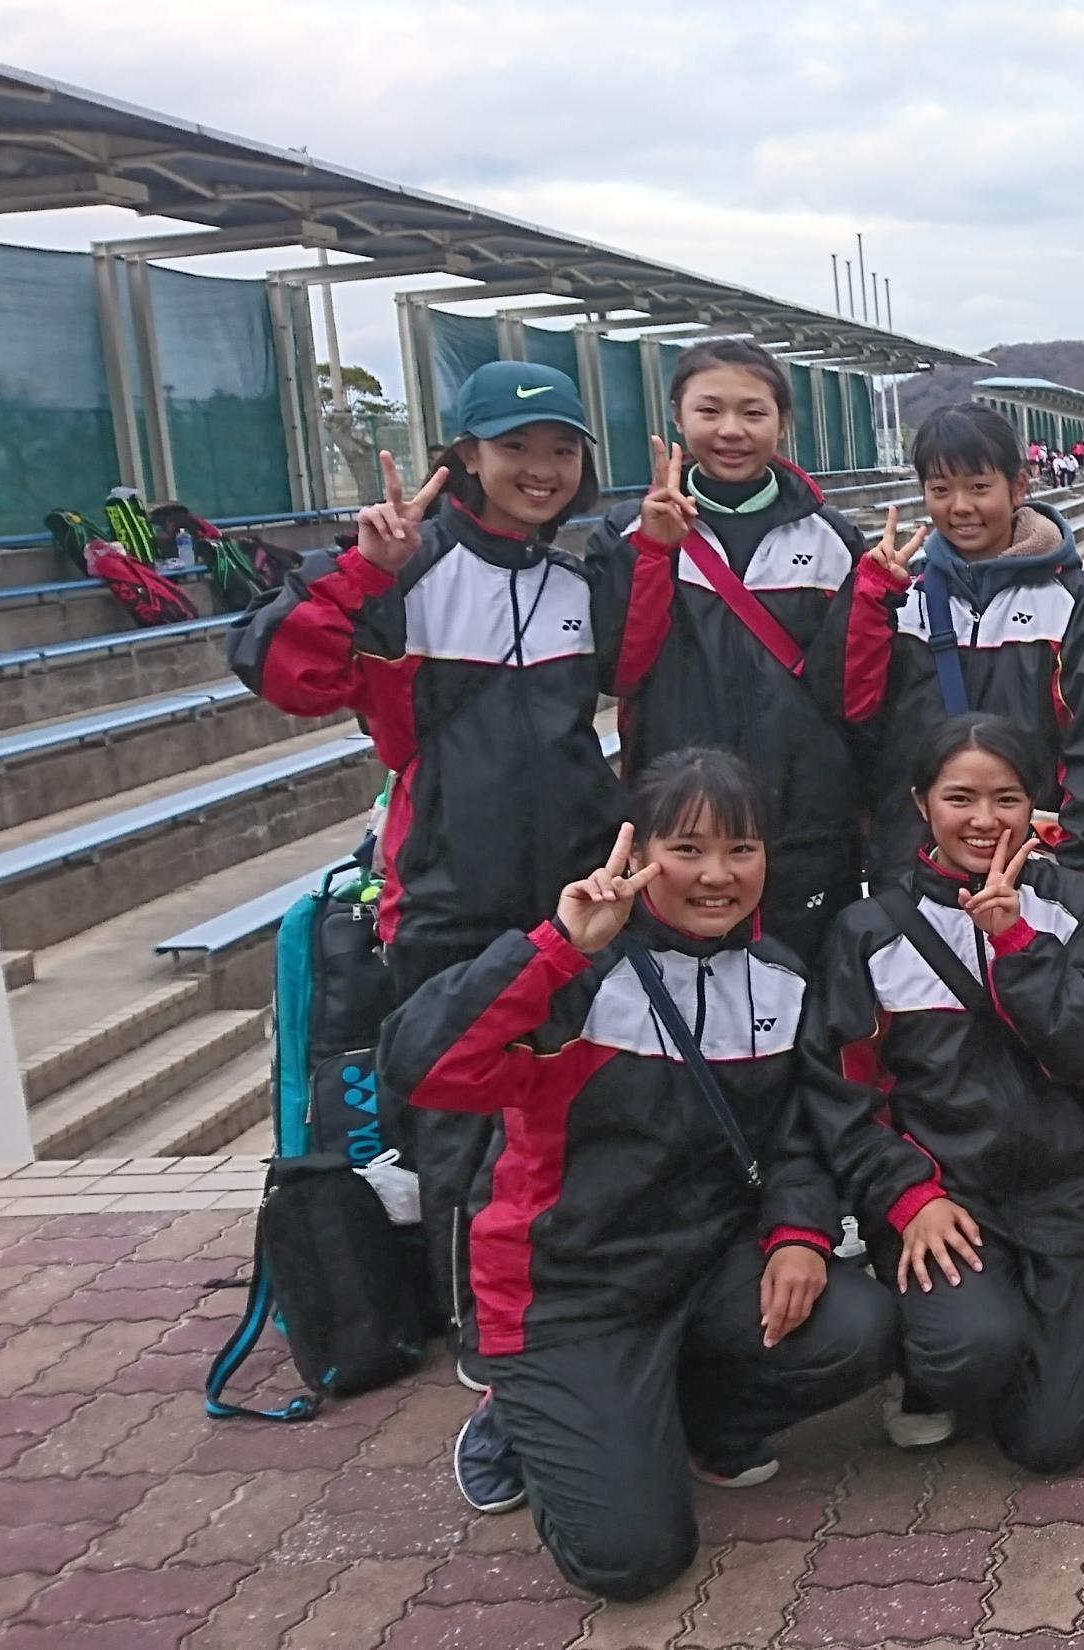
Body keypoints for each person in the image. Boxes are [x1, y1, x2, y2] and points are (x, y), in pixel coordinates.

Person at [383, 749, 892, 1600]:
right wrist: (554, 949)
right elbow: (420, 1069)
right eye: (687, 850)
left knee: (860, 1326)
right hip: (574, 1283)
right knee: (633, 1560)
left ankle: (692, 1425)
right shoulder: (577, 975)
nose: (717, 876)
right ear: (638, 852)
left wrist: (799, 1234)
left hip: (706, 1265)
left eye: (742, 849)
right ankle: (527, 1409)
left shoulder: (784, 979)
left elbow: (799, 1136)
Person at [230, 359, 623, 1347]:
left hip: (577, 898)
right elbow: (282, 672)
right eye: (515, 449)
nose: (541, 469)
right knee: (455, 1121)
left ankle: (574, 1304)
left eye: (561, 450)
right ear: (468, 454)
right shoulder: (405, 574)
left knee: (579, 1097)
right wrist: (366, 571)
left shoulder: (571, 578)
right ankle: (480, 1334)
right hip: (448, 892)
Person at [803, 714, 1084, 1473]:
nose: (985, 821)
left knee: (1056, 1441)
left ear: (1037, 804)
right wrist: (907, 1197)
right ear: (921, 802)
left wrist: (1020, 945)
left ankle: (1013, 1329)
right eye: (961, 798)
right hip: (945, 1202)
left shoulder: (1074, 907)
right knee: (969, 1349)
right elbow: (841, 1100)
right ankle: (928, 1359)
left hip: (1060, 1199)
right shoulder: (871, 932)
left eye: (1008, 799)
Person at [591, 339, 879, 961]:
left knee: (804, 995)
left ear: (782, 422)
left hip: (805, 828)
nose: (731, 430)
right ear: (676, 417)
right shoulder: (624, 532)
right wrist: (654, 553)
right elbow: (619, 667)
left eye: (753, 413)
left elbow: (853, 695)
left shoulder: (832, 538)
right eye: (709, 410)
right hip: (677, 831)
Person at [845, 404, 1084, 883]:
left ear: (1019, 486)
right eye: (941, 490)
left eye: (979, 488)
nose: (960, 507)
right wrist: (868, 605)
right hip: (915, 865)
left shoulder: (1070, 599)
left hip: (1035, 861)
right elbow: (859, 717)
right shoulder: (901, 596)